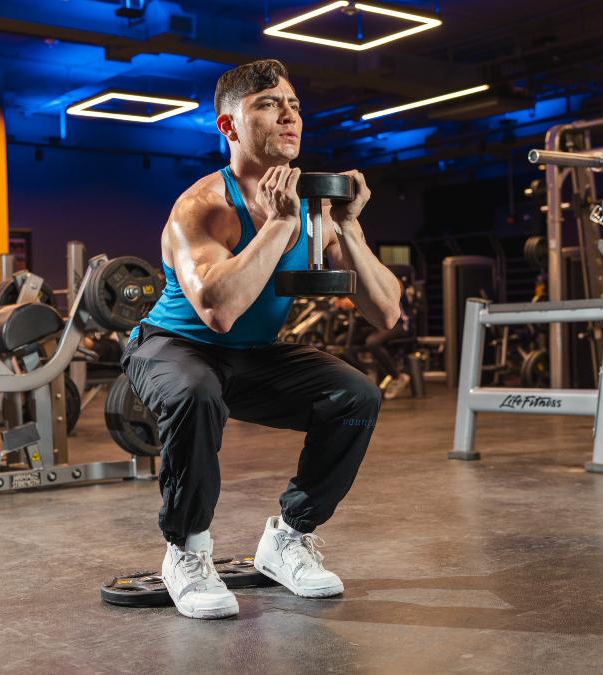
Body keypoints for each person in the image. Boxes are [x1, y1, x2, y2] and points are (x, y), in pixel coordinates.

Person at [120, 59, 403, 620]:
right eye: (268, 105)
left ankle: (289, 538)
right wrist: (278, 225)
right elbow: (217, 312)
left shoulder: (314, 208)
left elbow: (387, 310)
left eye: (293, 105)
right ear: (228, 127)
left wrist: (347, 224)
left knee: (355, 395)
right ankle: (187, 550)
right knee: (194, 393)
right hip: (175, 345)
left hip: (250, 356)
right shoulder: (201, 208)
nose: (288, 116)